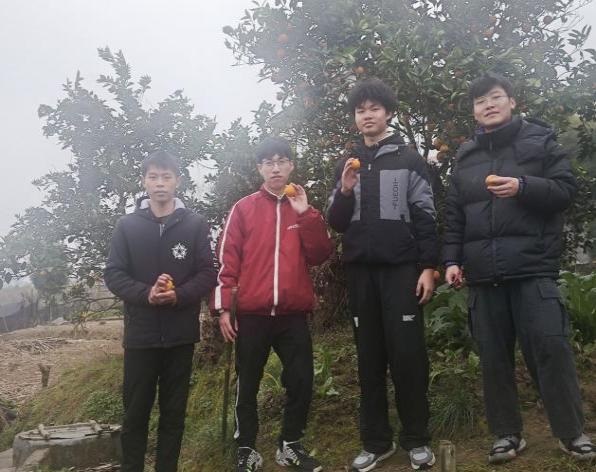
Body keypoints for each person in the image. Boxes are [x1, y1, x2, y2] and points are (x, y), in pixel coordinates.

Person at [443, 72, 596, 464]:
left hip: (532, 269)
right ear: (474, 111)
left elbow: (566, 191)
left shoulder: (540, 140)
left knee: (552, 350)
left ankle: (571, 433)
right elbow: (455, 215)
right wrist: (452, 260)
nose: (488, 105)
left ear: (512, 101)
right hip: (483, 275)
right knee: (493, 358)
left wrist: (523, 186)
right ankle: (507, 435)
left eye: (495, 97)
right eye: (480, 101)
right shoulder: (466, 156)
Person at [327, 78, 438, 471]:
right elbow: (336, 222)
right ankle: (376, 442)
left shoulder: (408, 160)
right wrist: (344, 191)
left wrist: (428, 267)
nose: (367, 116)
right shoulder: (347, 164)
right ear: (355, 118)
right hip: (361, 273)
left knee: (408, 357)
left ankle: (417, 439)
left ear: (388, 113)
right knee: (369, 359)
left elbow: (425, 214)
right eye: (360, 110)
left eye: (374, 108)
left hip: (401, 271)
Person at [213, 137, 333, 472]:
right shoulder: (243, 208)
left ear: (291, 165)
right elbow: (227, 260)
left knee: (301, 379)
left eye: (281, 161)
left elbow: (321, 254)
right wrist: (224, 308)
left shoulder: (303, 208)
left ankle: (290, 444)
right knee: (247, 382)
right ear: (260, 168)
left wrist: (305, 214)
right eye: (268, 162)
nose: (276, 168)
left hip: (292, 314)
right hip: (251, 313)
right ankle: (246, 447)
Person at [104, 150, 217, 472]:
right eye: (153, 177)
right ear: (144, 181)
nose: (160, 183)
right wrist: (147, 294)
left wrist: (178, 295)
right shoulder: (127, 226)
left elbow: (208, 273)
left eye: (166, 177)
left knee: (173, 414)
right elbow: (114, 274)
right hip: (140, 337)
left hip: (180, 336)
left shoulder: (194, 224)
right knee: (135, 414)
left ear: (177, 181)